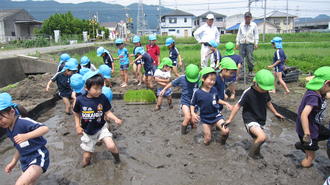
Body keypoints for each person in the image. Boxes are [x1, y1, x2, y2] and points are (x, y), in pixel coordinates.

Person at [225, 69, 285, 159]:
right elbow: (237, 106)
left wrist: (276, 113)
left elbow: (268, 103)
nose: (265, 91)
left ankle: (257, 153)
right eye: (263, 88)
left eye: (266, 89)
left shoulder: (265, 92)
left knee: (256, 139)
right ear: (255, 83)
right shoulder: (248, 93)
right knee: (262, 137)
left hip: (260, 119)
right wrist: (230, 119)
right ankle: (250, 156)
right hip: (250, 119)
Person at [73, 71, 122, 167]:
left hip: (101, 127)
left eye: (100, 88)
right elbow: (76, 113)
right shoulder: (80, 100)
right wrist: (77, 126)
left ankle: (118, 160)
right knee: (86, 157)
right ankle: (85, 166)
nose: (99, 91)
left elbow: (107, 112)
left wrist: (115, 119)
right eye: (95, 89)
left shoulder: (102, 98)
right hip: (87, 131)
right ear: (86, 88)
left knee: (111, 145)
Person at [0, 93, 50, 185]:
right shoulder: (8, 129)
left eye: (0, 118)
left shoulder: (23, 122)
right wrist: (13, 162)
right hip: (25, 160)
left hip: (38, 156)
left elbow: (44, 128)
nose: (0, 123)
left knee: (20, 183)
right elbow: (19, 147)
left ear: (12, 111)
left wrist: (26, 136)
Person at [294, 66, 330, 167]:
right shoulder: (313, 97)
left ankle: (303, 145)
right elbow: (304, 115)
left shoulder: (320, 91)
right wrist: (307, 134)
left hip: (315, 125)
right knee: (310, 157)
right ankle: (304, 167)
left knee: (327, 133)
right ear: (327, 83)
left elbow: (327, 95)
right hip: (308, 130)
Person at [190, 67, 230, 145]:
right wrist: (193, 113)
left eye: (214, 80)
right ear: (203, 79)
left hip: (216, 115)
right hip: (205, 118)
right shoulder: (197, 92)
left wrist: (225, 103)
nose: (212, 82)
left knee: (226, 131)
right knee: (208, 139)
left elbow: (217, 100)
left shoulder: (214, 90)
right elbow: (192, 104)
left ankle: (222, 144)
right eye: (210, 79)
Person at [160, 64, 200, 135]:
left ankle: (193, 129)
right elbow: (171, 83)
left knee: (193, 121)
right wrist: (164, 89)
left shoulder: (199, 78)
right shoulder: (182, 78)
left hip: (194, 103)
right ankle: (183, 134)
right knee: (187, 117)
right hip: (185, 101)